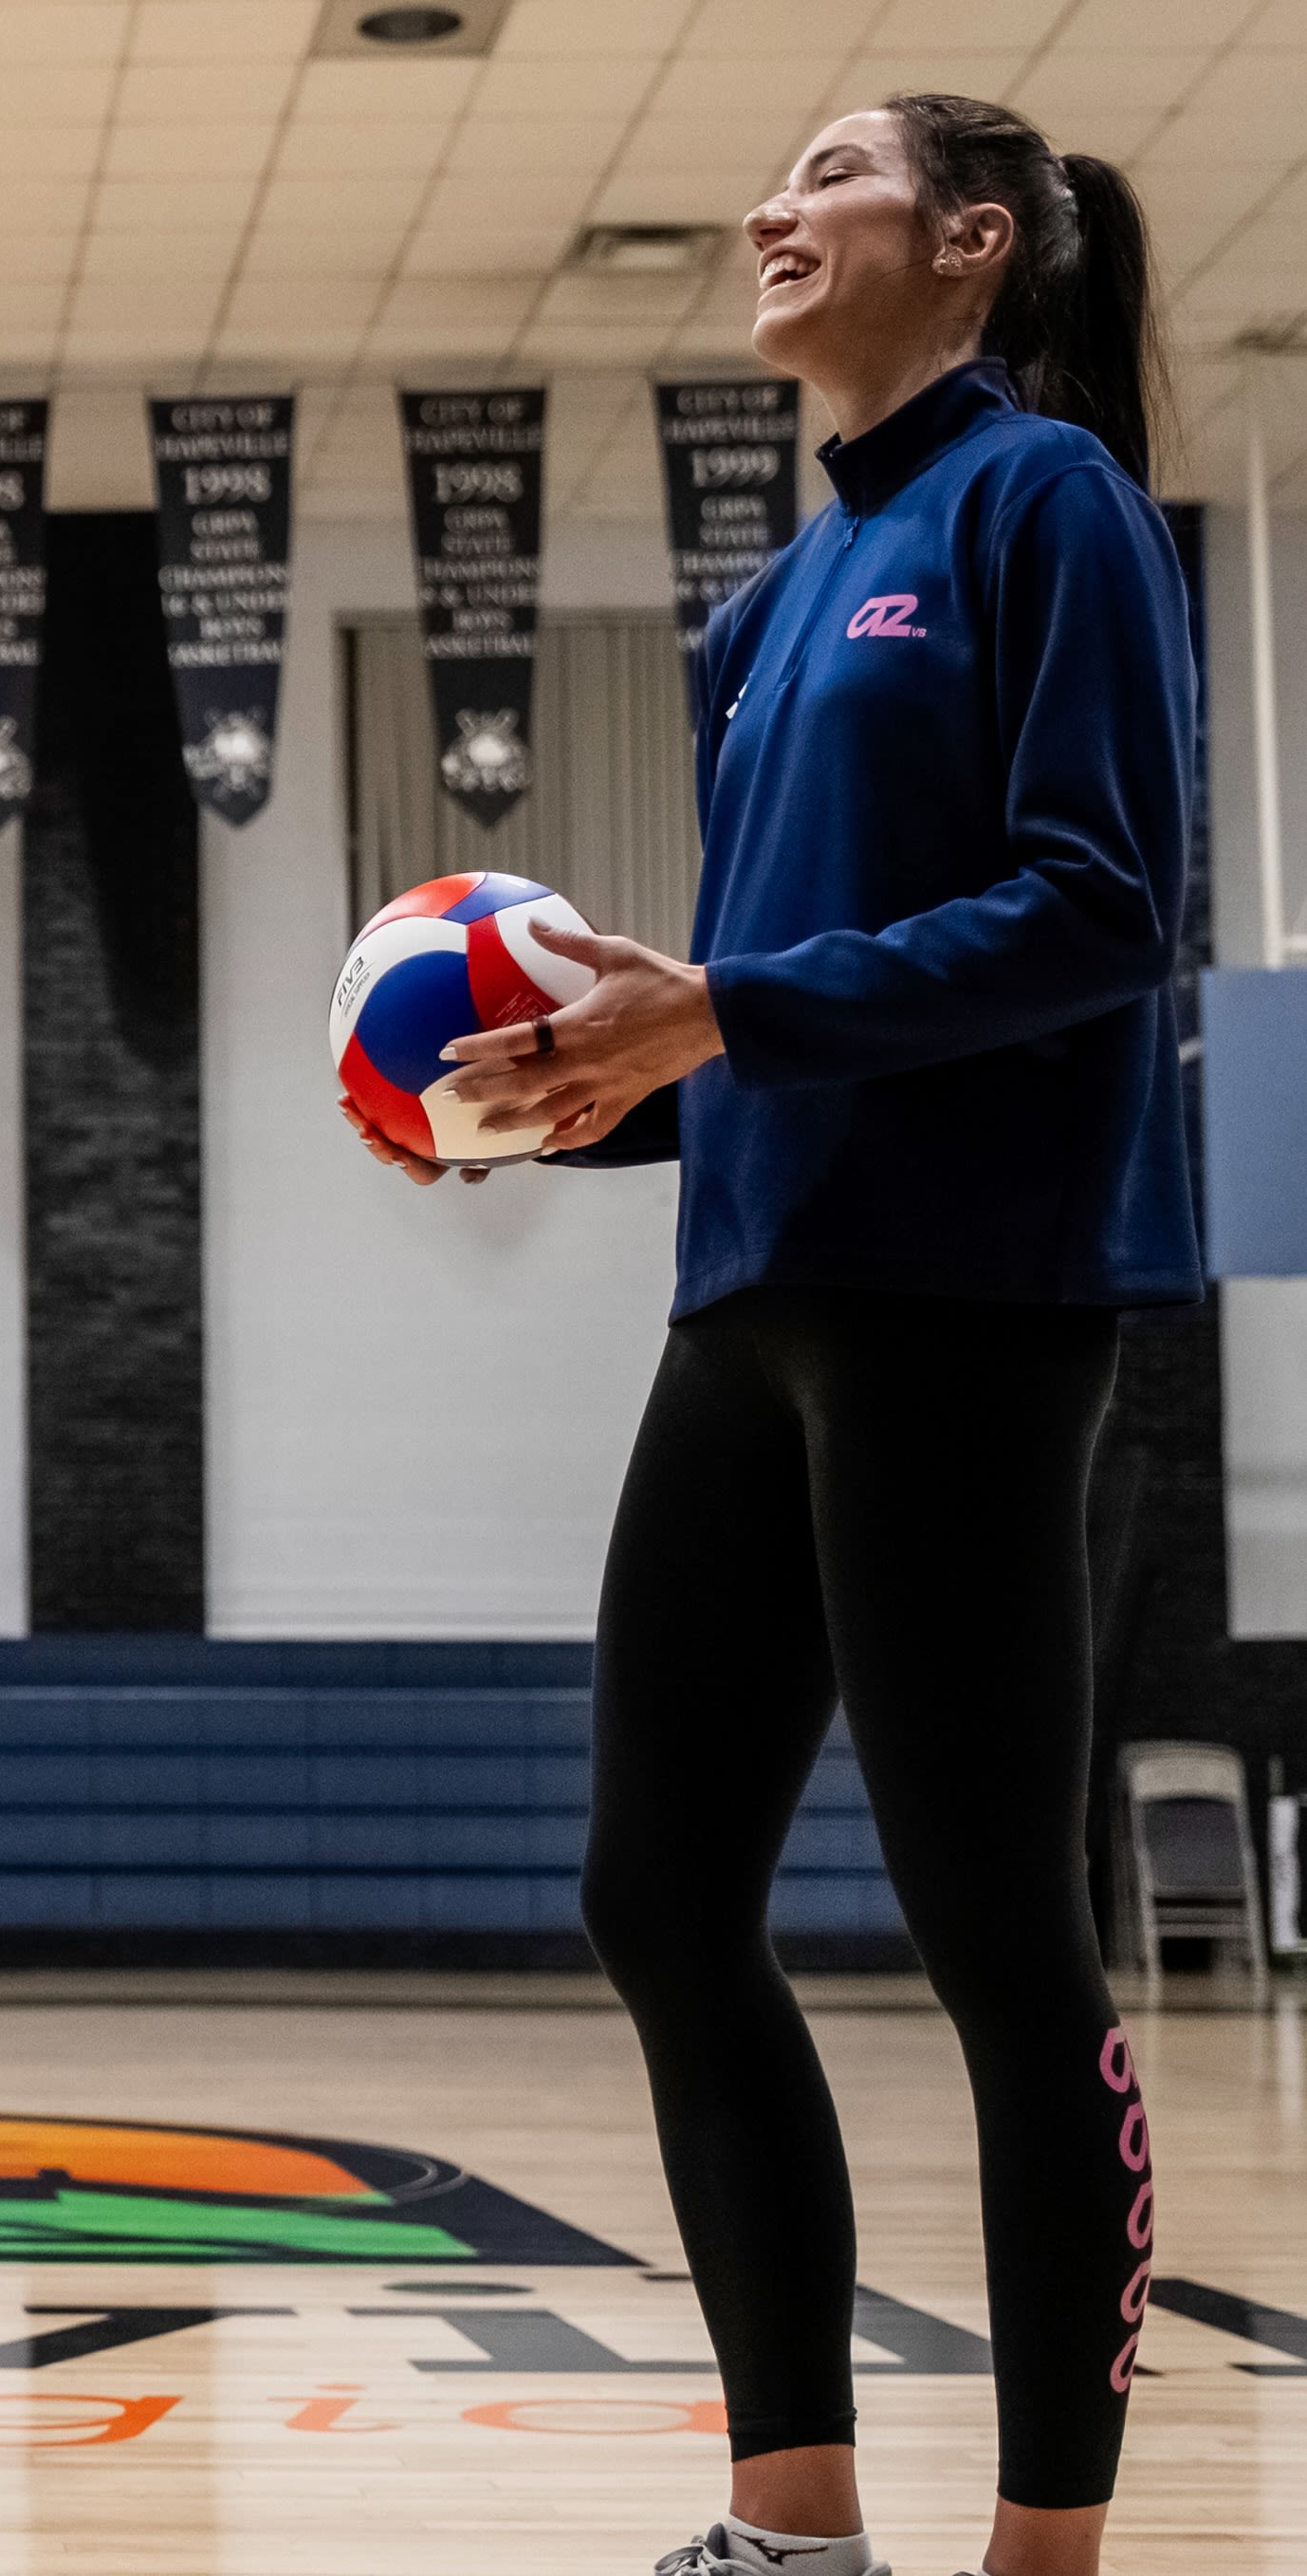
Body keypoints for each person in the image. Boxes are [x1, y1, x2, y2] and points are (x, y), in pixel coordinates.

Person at [348, 95, 1190, 2576]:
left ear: (967, 239)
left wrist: (715, 1010)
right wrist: (570, 1089)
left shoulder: (1050, 509)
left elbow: (1093, 911)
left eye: (823, 172)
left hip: (967, 1303)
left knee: (992, 1931)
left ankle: (1047, 2544)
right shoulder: (770, 599)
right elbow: (760, 1018)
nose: (768, 211)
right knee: (653, 1888)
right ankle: (793, 2520)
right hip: (752, 1303)